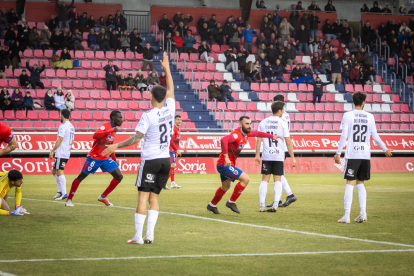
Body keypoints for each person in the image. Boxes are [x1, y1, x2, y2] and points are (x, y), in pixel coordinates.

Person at [102, 52, 176, 245]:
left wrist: (115, 146)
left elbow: (136, 138)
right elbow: (171, 89)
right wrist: (167, 68)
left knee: (142, 197)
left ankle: (138, 237)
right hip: (165, 161)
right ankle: (150, 235)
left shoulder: (148, 115)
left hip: (150, 160)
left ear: (152, 96)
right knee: (155, 198)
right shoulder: (170, 109)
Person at [335, 92, 392, 223]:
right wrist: (385, 149)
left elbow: (344, 136)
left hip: (353, 154)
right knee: (361, 183)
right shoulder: (370, 116)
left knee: (350, 183)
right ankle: (363, 213)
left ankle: (347, 216)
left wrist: (338, 153)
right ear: (363, 102)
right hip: (365, 155)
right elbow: (375, 137)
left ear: (353, 101)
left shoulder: (348, 115)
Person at [206, 116, 281, 214]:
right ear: (240, 125)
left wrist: (271, 136)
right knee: (245, 179)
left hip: (226, 164)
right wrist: (226, 157)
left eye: (250, 123)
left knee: (225, 187)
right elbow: (223, 140)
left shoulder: (246, 134)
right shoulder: (236, 135)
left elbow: (257, 133)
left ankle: (212, 205)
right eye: (247, 124)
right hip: (225, 164)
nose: (249, 126)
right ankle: (231, 202)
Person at [66, 111, 124, 207]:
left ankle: (103, 196)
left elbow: (110, 146)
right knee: (81, 177)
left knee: (119, 176)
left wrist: (114, 159)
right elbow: (95, 135)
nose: (121, 120)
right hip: (94, 157)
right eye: (120, 117)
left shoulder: (114, 130)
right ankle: (69, 199)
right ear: (113, 117)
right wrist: (109, 131)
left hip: (105, 158)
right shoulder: (105, 126)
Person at [255, 101, 297, 212]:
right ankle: (275, 205)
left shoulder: (263, 122)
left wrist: (257, 155)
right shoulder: (282, 123)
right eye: (283, 110)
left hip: (266, 155)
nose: (283, 112)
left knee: (264, 180)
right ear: (279, 111)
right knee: (277, 180)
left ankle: (262, 205)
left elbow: (258, 139)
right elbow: (288, 141)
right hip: (278, 155)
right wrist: (293, 157)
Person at [49, 109, 74, 201]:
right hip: (66, 151)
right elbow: (72, 141)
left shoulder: (63, 126)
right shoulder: (72, 126)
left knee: (59, 172)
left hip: (61, 152)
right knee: (54, 171)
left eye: (60, 115)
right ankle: (60, 192)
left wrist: (53, 150)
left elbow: (60, 139)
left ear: (62, 115)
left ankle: (64, 193)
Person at [167, 115, 182, 190]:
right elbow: (170, 140)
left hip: (174, 151)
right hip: (171, 150)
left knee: (173, 166)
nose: (179, 121)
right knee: (172, 165)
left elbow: (176, 142)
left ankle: (172, 183)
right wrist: (176, 150)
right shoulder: (174, 129)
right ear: (175, 120)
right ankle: (164, 183)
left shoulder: (178, 129)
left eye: (180, 119)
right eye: (178, 119)